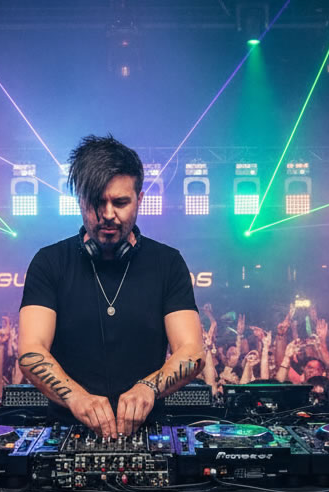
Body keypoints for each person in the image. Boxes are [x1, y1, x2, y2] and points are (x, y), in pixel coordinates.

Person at [18, 134, 204, 438]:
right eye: (97, 202)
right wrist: (76, 397)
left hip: (147, 433)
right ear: (80, 200)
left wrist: (148, 387)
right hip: (68, 431)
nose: (107, 215)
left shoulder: (168, 263)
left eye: (120, 202)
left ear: (139, 199)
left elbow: (192, 351)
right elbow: (31, 350)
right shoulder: (49, 262)